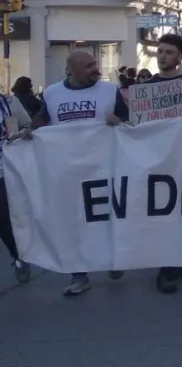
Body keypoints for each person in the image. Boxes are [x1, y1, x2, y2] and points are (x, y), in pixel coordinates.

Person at [24, 50, 129, 296]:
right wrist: (29, 132)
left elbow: (129, 121)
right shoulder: (51, 93)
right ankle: (79, 275)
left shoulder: (108, 91)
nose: (96, 69)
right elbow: (42, 120)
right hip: (66, 172)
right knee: (72, 224)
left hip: (103, 168)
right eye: (89, 65)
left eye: (96, 63)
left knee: (107, 217)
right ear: (71, 70)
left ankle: (112, 259)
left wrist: (119, 122)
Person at [143, 34, 182, 294]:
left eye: (168, 52)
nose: (162, 56)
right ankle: (166, 266)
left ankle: (178, 259)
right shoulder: (145, 87)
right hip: (156, 158)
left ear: (180, 57)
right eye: (160, 52)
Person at [0, 83, 33, 284]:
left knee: (3, 219)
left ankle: (18, 255)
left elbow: (25, 124)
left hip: (2, 169)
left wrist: (24, 133)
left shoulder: (7, 102)